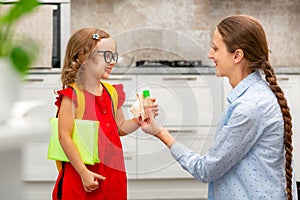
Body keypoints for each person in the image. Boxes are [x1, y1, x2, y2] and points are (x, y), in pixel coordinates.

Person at [141, 15, 298, 200]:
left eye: (215, 48)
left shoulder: (249, 107)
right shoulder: (253, 96)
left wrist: (160, 133)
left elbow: (205, 170)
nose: (210, 54)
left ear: (237, 55)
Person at [52, 28, 157, 200]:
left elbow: (120, 128)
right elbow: (64, 137)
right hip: (81, 176)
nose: (112, 61)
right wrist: (84, 172)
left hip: (112, 176)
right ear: (84, 57)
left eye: (113, 56)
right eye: (106, 56)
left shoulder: (112, 92)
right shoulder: (72, 96)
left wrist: (140, 118)